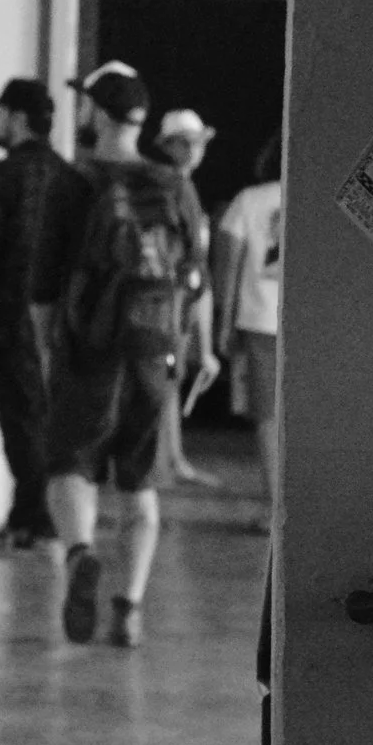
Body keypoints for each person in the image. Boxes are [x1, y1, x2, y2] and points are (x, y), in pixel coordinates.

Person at [42, 69, 217, 649]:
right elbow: (197, 277)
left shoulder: (73, 181)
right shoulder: (174, 183)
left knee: (70, 465)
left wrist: (48, 346)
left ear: (95, 112)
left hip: (90, 347)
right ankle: (129, 610)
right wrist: (198, 348)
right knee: (140, 481)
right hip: (153, 347)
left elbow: (44, 280)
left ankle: (80, 554)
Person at [0, 76, 88, 548]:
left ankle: (34, 517)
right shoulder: (73, 180)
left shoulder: (0, 177)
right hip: (64, 322)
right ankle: (38, 512)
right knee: (48, 418)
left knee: (20, 419)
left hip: (11, 320)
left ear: (17, 118)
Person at [213, 131, 284, 514]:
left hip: (260, 321)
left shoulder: (248, 201)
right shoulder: (317, 202)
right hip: (307, 327)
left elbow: (227, 269)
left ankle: (276, 509)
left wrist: (223, 324)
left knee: (268, 418)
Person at [154, 108, 222, 487]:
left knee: (170, 380)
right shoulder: (175, 186)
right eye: (189, 143)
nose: (198, 150)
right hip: (173, 300)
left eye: (199, 143)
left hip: (177, 300)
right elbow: (194, 263)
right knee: (165, 380)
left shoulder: (179, 186)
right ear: (172, 145)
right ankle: (164, 463)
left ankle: (173, 459)